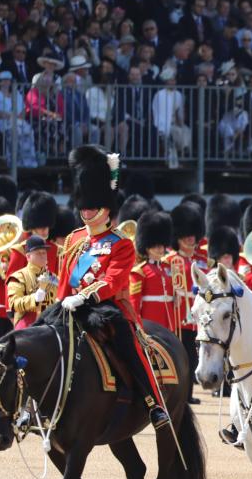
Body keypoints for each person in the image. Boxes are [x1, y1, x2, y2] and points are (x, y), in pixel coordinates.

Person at [57, 144, 170, 430]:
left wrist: (84, 296)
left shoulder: (120, 243)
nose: (87, 210)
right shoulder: (72, 240)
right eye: (84, 204)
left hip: (106, 307)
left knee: (128, 344)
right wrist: (60, 303)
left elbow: (114, 280)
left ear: (106, 207)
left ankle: (152, 402)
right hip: (70, 306)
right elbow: (63, 280)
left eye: (92, 205)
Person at [163, 202, 206, 405]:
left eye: (193, 234)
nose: (190, 238)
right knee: (180, 356)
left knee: (192, 357)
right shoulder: (169, 260)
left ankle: (187, 394)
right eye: (186, 235)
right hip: (178, 316)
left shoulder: (203, 259)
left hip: (197, 317)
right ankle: (177, 395)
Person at [130, 211, 175, 332]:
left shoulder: (168, 268)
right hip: (151, 322)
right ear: (147, 246)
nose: (160, 249)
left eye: (162, 245)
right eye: (155, 245)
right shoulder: (140, 272)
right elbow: (134, 304)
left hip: (169, 321)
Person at [6, 235, 57, 330]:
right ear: (28, 257)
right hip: (27, 324)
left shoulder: (53, 277)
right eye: (38, 253)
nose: (42, 256)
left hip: (50, 323)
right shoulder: (18, 276)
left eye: (44, 253)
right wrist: (35, 298)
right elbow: (13, 303)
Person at [5, 191, 59, 281]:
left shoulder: (55, 250)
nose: (44, 229)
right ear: (32, 226)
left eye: (46, 226)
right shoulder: (20, 251)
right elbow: (12, 284)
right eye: (40, 226)